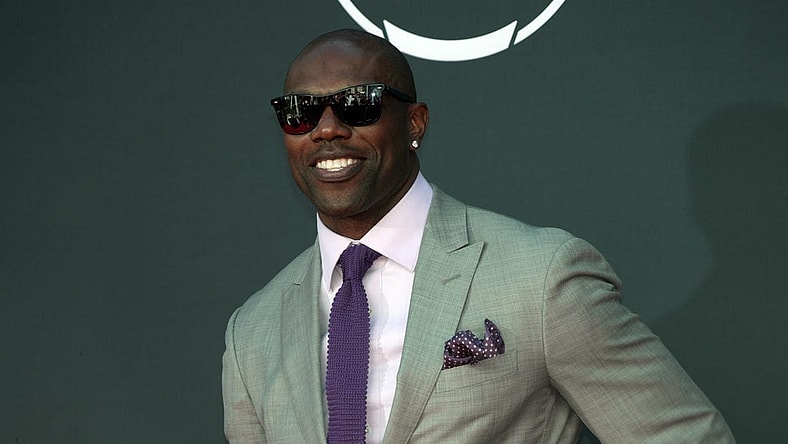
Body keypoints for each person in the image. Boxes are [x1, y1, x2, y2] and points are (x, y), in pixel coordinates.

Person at [222, 28, 735, 443]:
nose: (326, 128)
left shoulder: (540, 278)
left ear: (415, 122)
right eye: (300, 113)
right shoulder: (253, 333)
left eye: (359, 104)